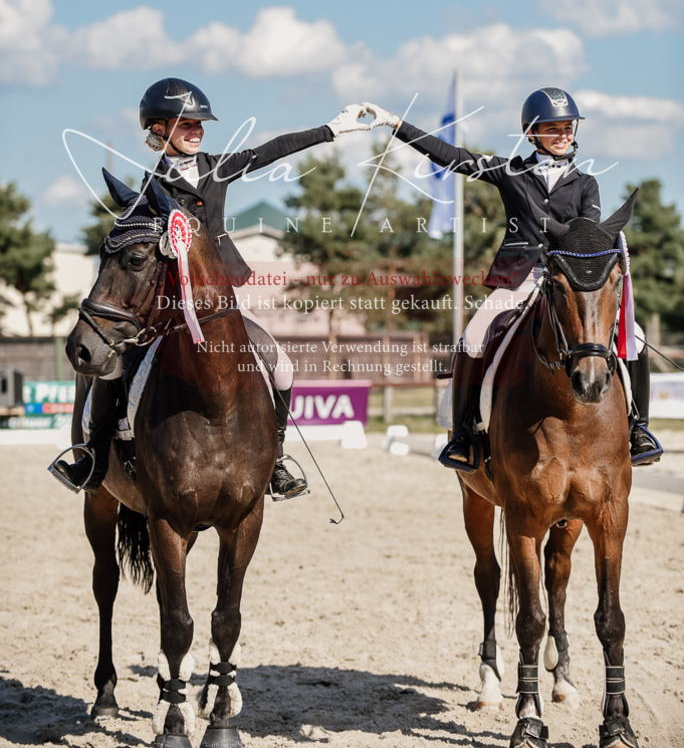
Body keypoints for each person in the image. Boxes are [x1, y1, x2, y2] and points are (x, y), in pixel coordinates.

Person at [53, 77, 370, 497]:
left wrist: (331, 129)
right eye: (186, 124)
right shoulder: (150, 190)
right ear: (158, 130)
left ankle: (274, 459)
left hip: (221, 299)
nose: (197, 130)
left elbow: (272, 150)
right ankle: (94, 456)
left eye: (200, 123)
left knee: (281, 366)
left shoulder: (216, 167)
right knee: (114, 366)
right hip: (168, 309)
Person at [364, 87, 662, 467]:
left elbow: (585, 233)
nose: (564, 135)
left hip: (568, 280)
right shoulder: (510, 172)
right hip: (520, 278)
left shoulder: (586, 184)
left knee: (634, 336)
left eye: (568, 128)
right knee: (472, 339)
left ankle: (638, 429)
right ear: (532, 132)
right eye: (553, 128)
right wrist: (395, 123)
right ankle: (463, 434)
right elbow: (454, 158)